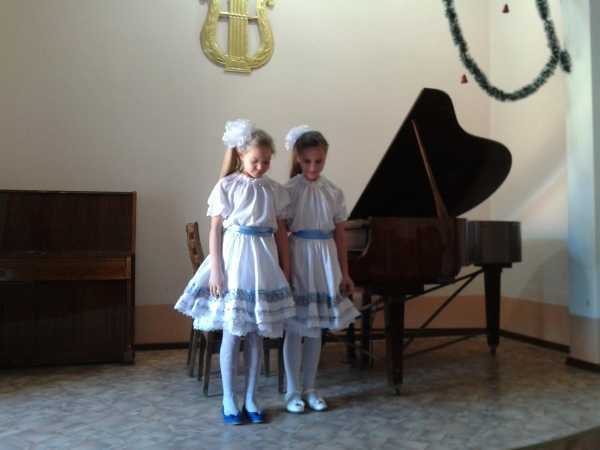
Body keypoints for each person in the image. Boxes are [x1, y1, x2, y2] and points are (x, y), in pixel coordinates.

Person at [175, 119, 295, 425]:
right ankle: (229, 397)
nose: (261, 166)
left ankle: (251, 396)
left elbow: (282, 234)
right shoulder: (226, 186)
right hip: (234, 259)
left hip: (263, 261)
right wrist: (217, 270)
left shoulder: (275, 190)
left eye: (266, 161)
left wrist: (286, 268)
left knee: (255, 333)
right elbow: (216, 230)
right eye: (256, 160)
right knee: (232, 330)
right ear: (241, 155)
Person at [282, 125, 359, 413]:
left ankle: (310, 388)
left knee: (316, 329)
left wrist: (345, 273)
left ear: (325, 157)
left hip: (325, 261)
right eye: (307, 161)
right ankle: (292, 391)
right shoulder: (288, 191)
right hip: (299, 258)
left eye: (319, 161)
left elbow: (341, 236)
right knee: (295, 329)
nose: (313, 167)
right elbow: (281, 234)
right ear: (298, 159)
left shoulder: (333, 192)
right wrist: (285, 270)